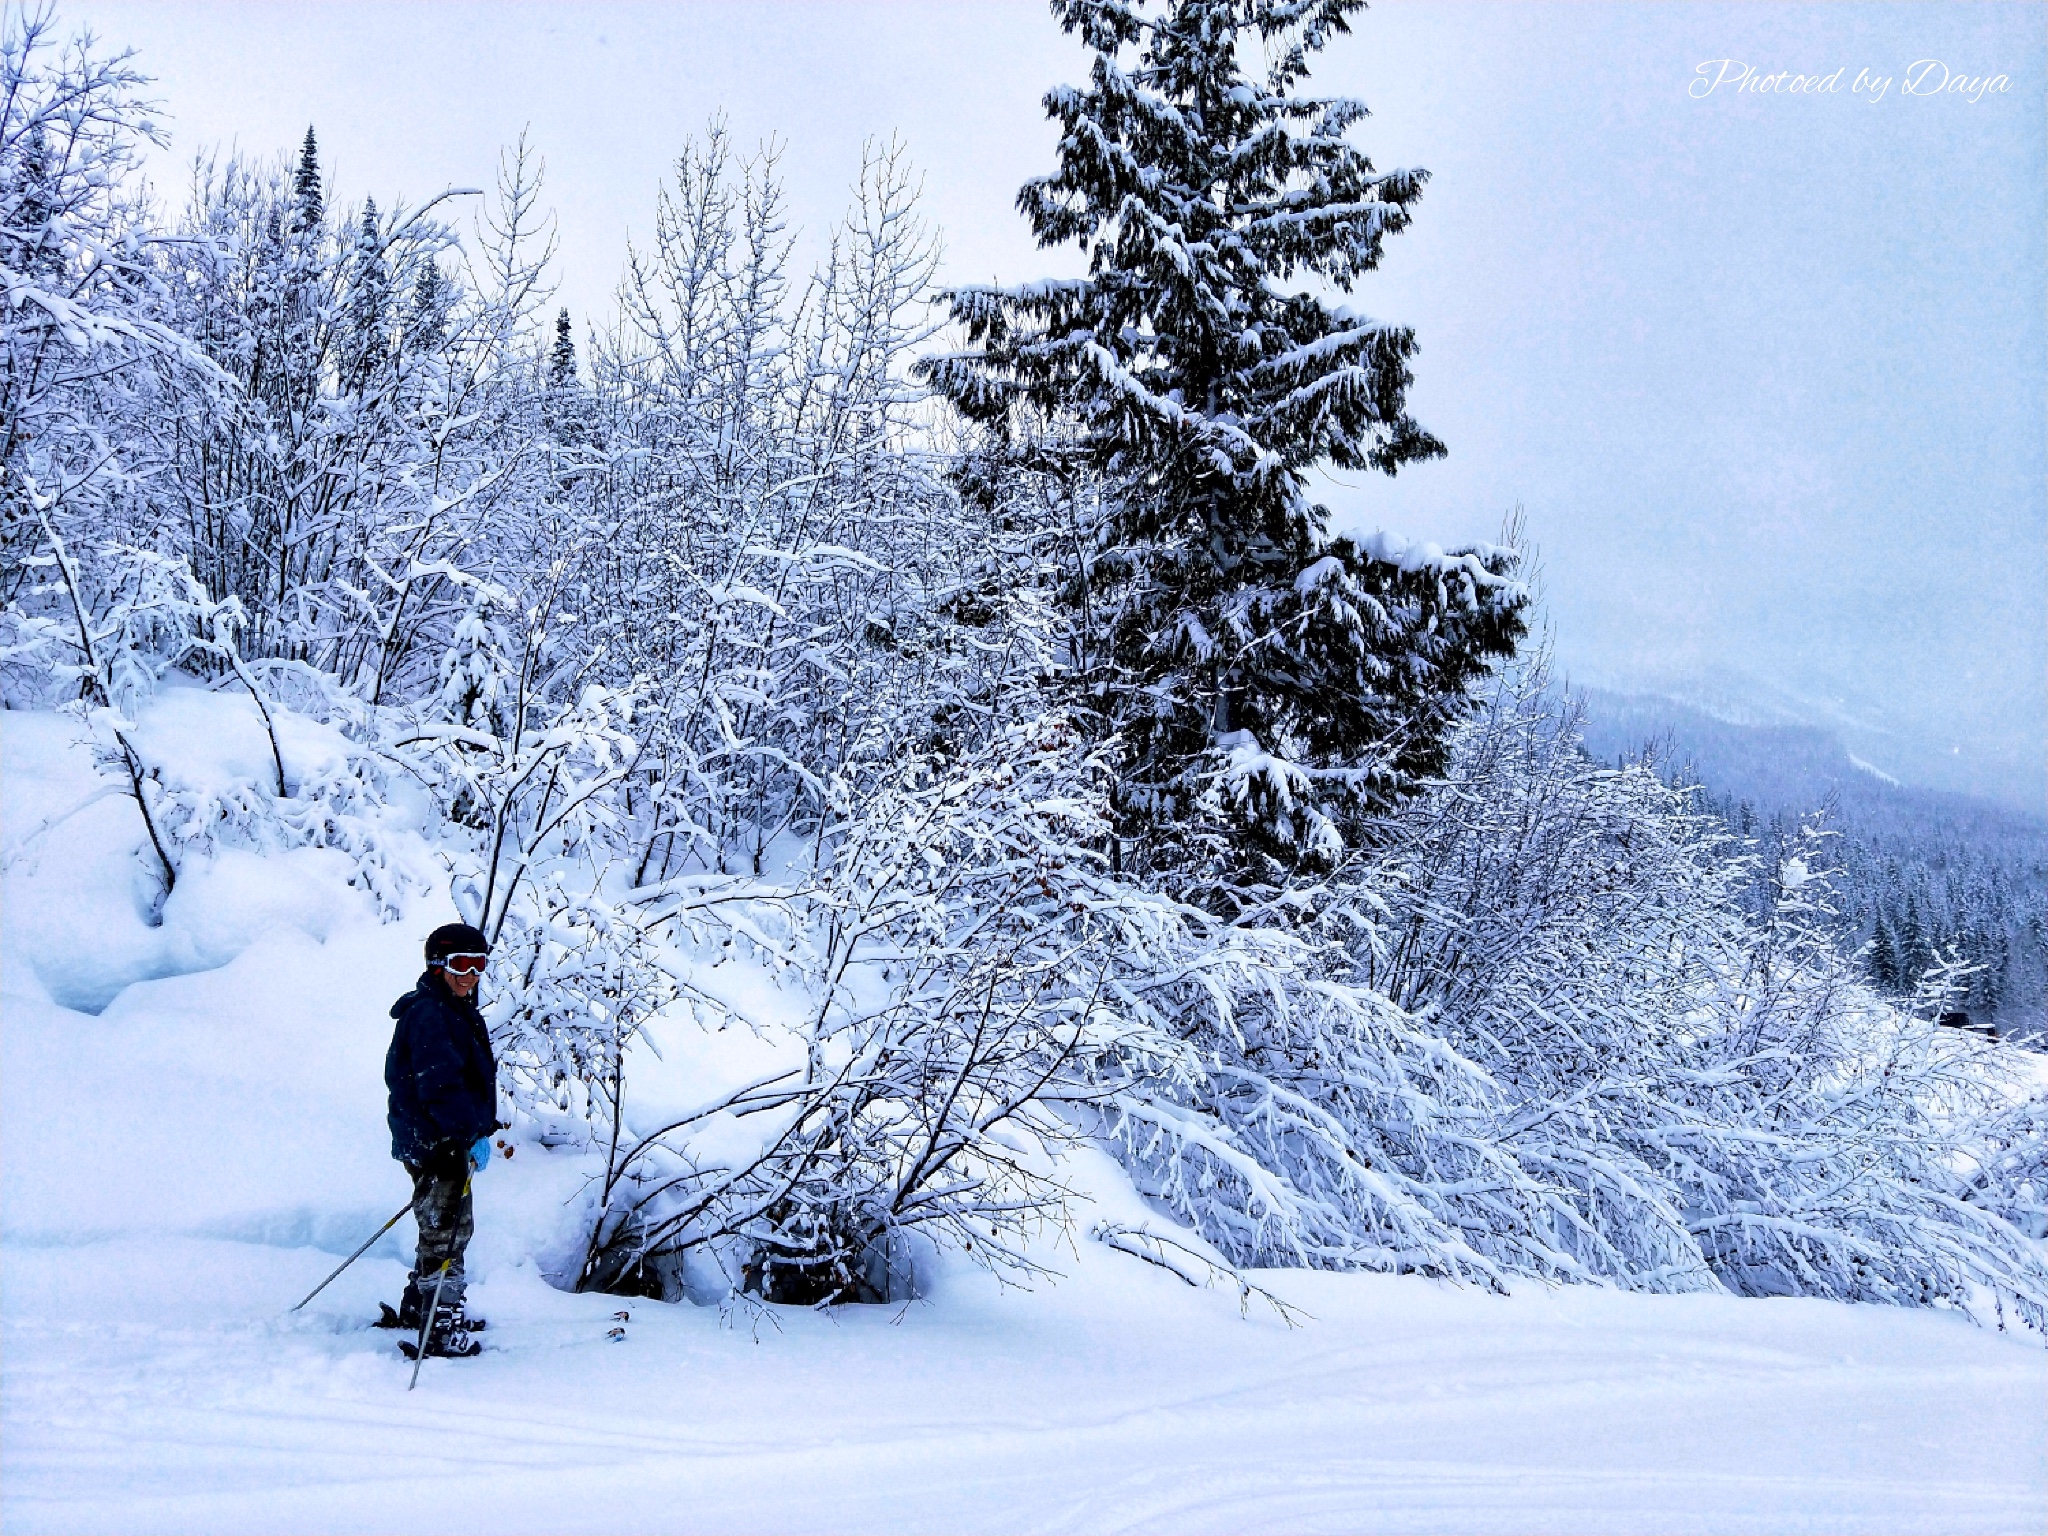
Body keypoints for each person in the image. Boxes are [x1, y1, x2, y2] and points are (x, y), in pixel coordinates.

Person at [384, 921, 499, 1358]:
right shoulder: (431, 1014)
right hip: (439, 1142)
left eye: (479, 965)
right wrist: (461, 1137)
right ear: (437, 966)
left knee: (440, 1223)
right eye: (461, 964)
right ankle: (438, 1324)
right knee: (448, 1231)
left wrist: (477, 1130)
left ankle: (420, 1307)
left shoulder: (454, 1009)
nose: (470, 975)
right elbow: (440, 1084)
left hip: (441, 1137)